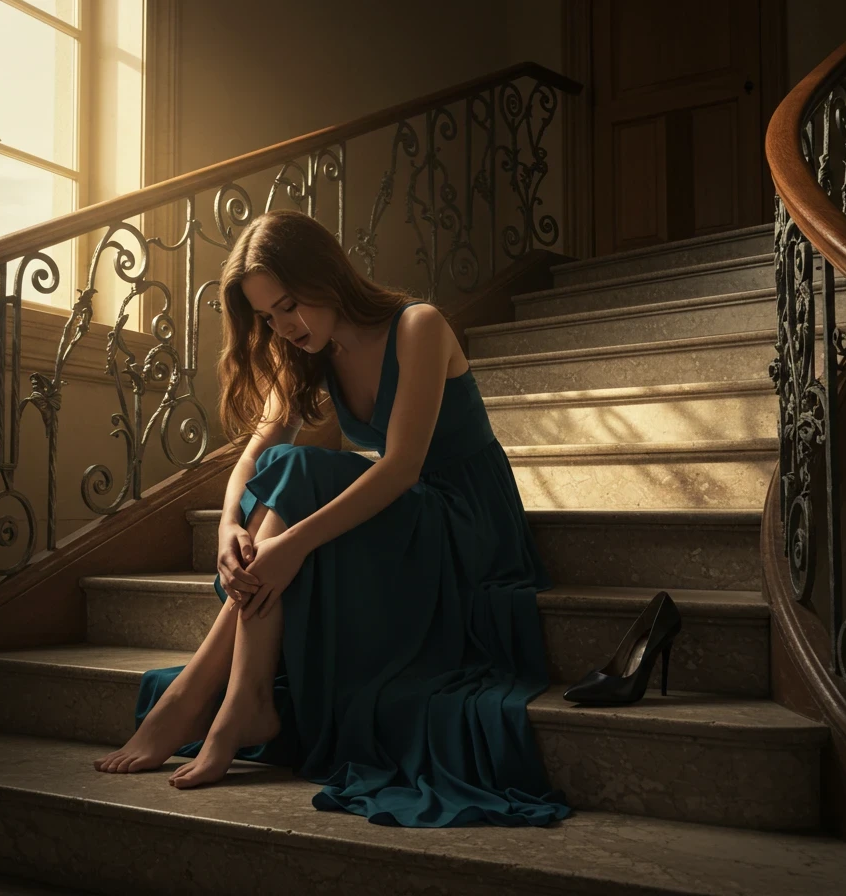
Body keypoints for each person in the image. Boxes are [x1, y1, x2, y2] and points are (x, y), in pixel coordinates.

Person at [93, 208, 570, 827]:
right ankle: (239, 698)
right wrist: (226, 528)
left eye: (290, 305)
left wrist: (290, 545)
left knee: (300, 477)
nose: (284, 326)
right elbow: (258, 452)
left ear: (326, 276)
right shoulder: (306, 350)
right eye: (268, 316)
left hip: (465, 521)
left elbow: (400, 467)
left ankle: (207, 699)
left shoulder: (418, 326)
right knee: (288, 471)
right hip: (404, 516)